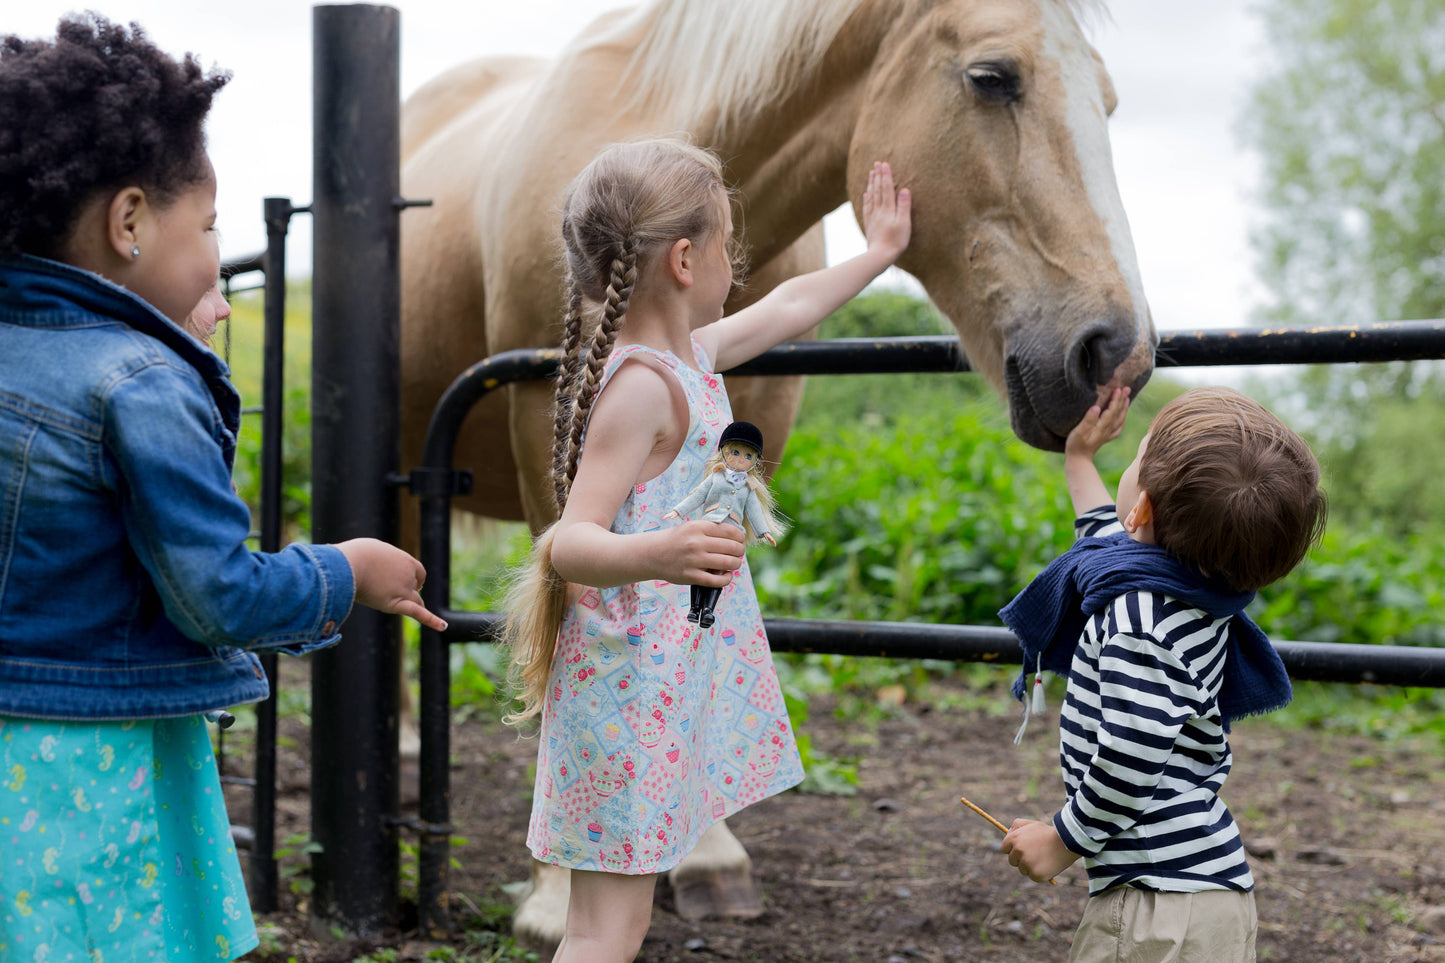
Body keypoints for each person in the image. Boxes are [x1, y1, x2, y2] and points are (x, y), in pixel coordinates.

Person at [0, 16, 446, 963]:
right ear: (128, 224)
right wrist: (345, 571)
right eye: (206, 226)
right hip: (91, 753)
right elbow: (215, 594)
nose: (214, 253)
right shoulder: (141, 382)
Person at [501, 138, 911, 962]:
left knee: (617, 922)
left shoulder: (687, 356)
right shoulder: (643, 386)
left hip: (656, 683)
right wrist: (660, 550)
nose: (740, 265)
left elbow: (788, 307)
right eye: (731, 244)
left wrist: (877, 254)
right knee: (602, 928)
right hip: (625, 694)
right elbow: (569, 541)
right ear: (686, 259)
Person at [997, 385, 1328, 963]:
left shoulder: (1139, 622)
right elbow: (1104, 533)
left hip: (1158, 907)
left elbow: (1132, 752)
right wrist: (1079, 458)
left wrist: (1061, 839)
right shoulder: (1193, 588)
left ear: (1143, 508)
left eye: (1137, 454)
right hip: (1203, 896)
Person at [664, 420, 782, 627]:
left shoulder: (748, 487)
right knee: (701, 568)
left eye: (748, 456)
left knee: (717, 570)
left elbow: (754, 511)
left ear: (754, 461)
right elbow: (698, 495)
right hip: (709, 526)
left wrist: (763, 531)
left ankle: (708, 609)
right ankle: (694, 607)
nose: (740, 460)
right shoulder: (716, 477)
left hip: (730, 531)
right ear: (724, 452)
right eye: (735, 453)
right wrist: (679, 510)